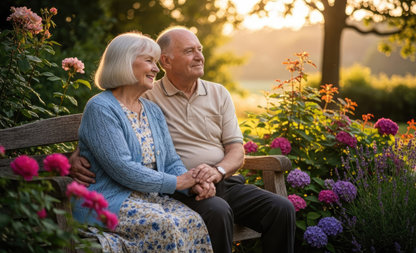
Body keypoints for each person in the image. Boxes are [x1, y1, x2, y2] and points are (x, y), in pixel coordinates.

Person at [71, 27, 296, 253]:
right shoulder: (145, 95)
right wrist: (77, 153)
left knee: (281, 208)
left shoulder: (176, 102)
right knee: (207, 213)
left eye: (200, 49)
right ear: (166, 61)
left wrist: (211, 174)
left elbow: (229, 151)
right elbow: (109, 146)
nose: (155, 68)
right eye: (190, 51)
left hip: (209, 180)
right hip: (166, 188)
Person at [73, 31, 213, 252]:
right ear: (125, 62)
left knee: (192, 220)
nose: (156, 69)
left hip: (149, 200)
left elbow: (171, 161)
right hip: (108, 202)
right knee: (165, 225)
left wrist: (193, 183)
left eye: (156, 62)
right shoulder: (100, 108)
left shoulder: (152, 110)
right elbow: (123, 168)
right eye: (149, 61)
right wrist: (178, 183)